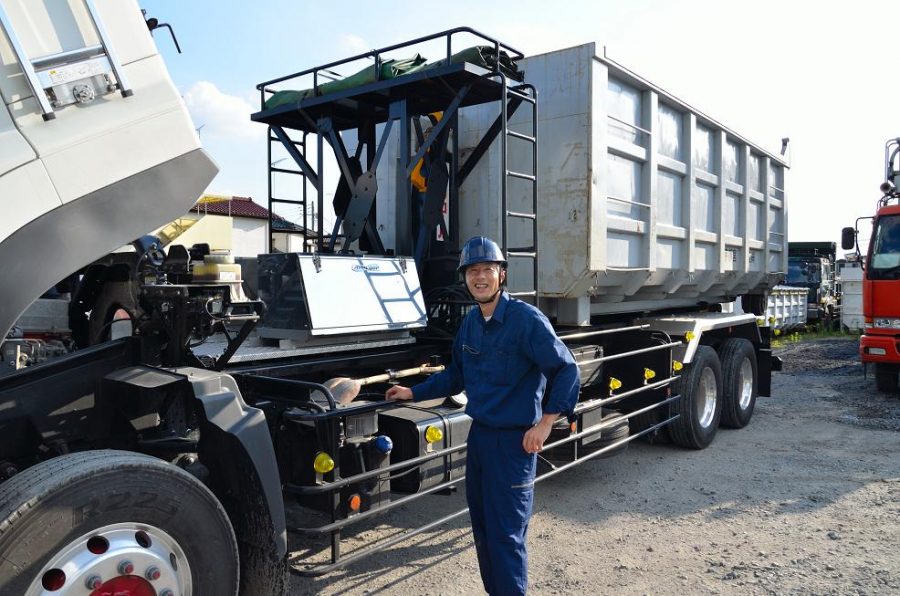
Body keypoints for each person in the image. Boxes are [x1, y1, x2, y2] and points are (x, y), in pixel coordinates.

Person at [386, 236, 579, 595]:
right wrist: (413, 392)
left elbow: (567, 370)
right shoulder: (471, 325)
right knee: (484, 530)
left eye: (487, 269)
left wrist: (546, 423)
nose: (479, 277)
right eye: (472, 271)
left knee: (506, 536)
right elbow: (454, 375)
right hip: (480, 440)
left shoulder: (526, 321)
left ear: (501, 275)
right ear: (465, 278)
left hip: (514, 444)